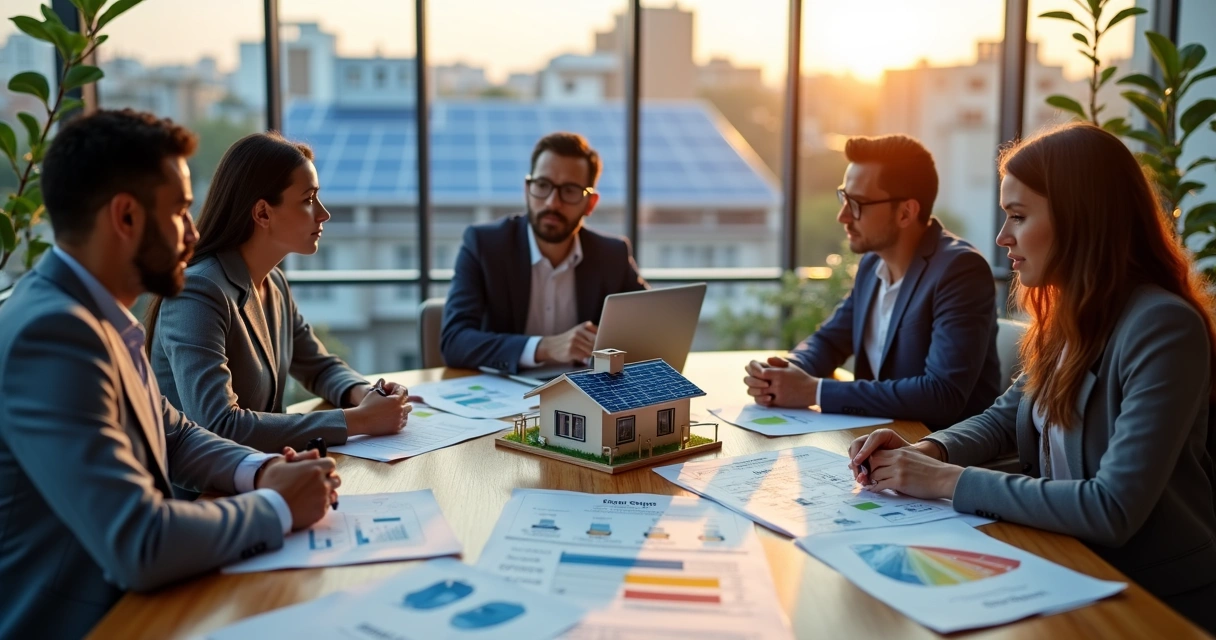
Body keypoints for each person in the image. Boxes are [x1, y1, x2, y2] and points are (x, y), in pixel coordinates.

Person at [847, 123, 1216, 633]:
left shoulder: (1162, 327)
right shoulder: (1069, 317)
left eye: (1018, 216)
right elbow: (1005, 418)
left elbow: (1111, 507)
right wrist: (927, 451)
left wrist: (942, 480)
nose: (1003, 237)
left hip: (1149, 598)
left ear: (1080, 219)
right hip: (1064, 564)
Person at [0, 110, 340, 638]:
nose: (194, 232)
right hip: (96, 623)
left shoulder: (96, 314)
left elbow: (175, 433)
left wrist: (263, 471)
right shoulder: (52, 335)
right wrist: (277, 506)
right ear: (126, 217)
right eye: (181, 211)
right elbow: (141, 541)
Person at [146, 133, 412, 455]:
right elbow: (219, 425)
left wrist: (367, 395)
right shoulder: (197, 292)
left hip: (268, 469)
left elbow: (318, 366)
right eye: (308, 200)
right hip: (205, 483)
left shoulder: (273, 283)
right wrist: (360, 420)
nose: (323, 214)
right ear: (262, 213)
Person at [743, 134, 1001, 430]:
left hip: (938, 447)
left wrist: (814, 391)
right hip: (878, 438)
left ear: (905, 212)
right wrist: (784, 371)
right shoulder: (871, 264)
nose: (843, 216)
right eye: (844, 198)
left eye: (857, 203)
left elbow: (941, 394)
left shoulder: (960, 271)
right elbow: (830, 340)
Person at [440, 132, 648, 373]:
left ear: (590, 203)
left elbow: (651, 326)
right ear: (527, 189)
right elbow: (454, 341)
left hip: (584, 390)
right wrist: (544, 347)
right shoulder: (484, 245)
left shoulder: (612, 254)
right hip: (505, 389)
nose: (552, 202)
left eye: (569, 190)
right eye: (542, 185)